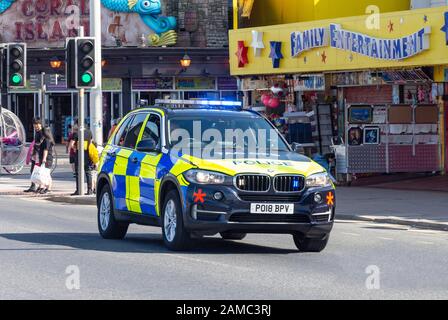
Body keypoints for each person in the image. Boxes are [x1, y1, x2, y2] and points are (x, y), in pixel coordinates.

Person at [71, 128, 99, 196]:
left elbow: (72, 144)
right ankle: (90, 190)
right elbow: (91, 142)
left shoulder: (77, 133)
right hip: (87, 155)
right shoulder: (89, 132)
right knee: (88, 173)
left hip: (79, 156)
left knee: (78, 173)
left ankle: (78, 190)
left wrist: (74, 149)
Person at [24, 118, 43, 193]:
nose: (36, 128)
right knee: (32, 170)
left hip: (39, 154)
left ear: (40, 124)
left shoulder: (42, 132)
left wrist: (36, 147)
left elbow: (41, 143)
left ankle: (40, 186)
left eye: (37, 126)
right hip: (35, 154)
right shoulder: (37, 132)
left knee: (38, 171)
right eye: (34, 126)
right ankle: (33, 186)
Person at [36, 127, 55, 194]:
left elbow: (46, 150)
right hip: (46, 158)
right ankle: (44, 187)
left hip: (47, 159)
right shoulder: (46, 139)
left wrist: (44, 158)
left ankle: (48, 188)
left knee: (47, 174)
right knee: (45, 174)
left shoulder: (47, 140)